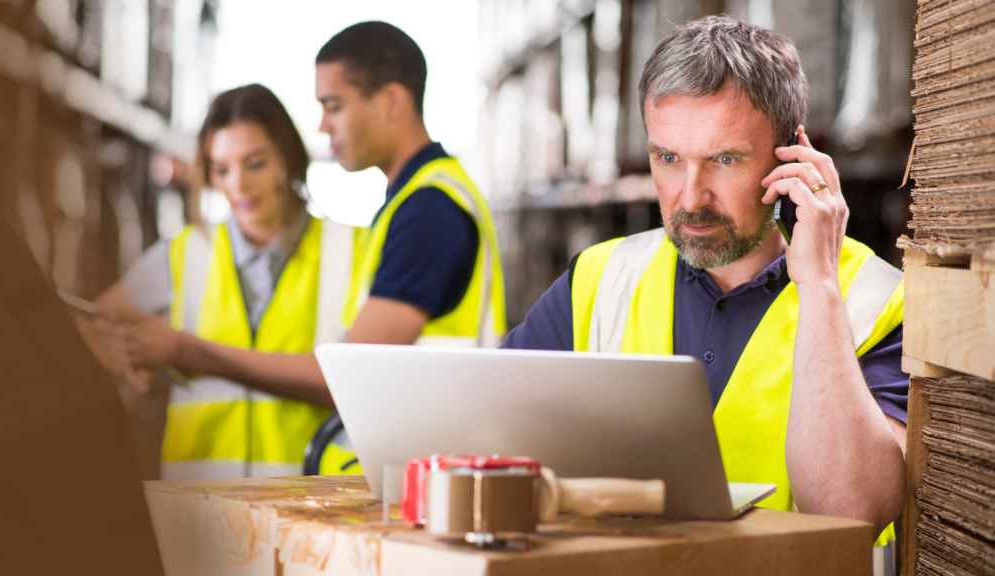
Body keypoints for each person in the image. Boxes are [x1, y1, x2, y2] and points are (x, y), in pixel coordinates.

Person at [503, 16, 907, 552]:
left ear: (793, 155)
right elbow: (493, 447)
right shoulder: (598, 280)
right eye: (668, 158)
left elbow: (849, 513)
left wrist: (818, 287)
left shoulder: (876, 301)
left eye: (723, 159)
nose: (690, 197)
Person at [95, 84, 358, 480]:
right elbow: (93, 323)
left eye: (255, 164)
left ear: (287, 159)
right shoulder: (186, 252)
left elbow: (356, 380)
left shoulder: (351, 247)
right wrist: (129, 362)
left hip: (311, 507)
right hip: (200, 511)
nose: (237, 185)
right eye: (221, 169)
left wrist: (183, 350)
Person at [315, 22, 505, 350]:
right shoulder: (414, 198)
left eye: (334, 107)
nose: (322, 126)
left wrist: (205, 355)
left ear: (392, 101)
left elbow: (356, 371)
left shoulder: (429, 211)